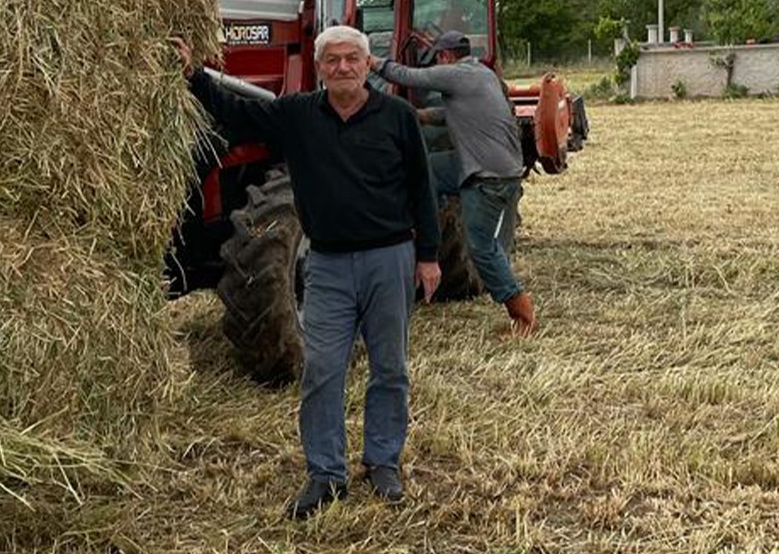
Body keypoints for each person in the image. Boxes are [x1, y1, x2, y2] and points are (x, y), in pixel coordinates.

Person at [173, 26, 441, 519]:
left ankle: (383, 462)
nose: (342, 67)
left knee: (390, 368)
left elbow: (423, 190)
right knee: (322, 371)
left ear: (366, 64)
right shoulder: (298, 115)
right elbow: (239, 114)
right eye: (332, 60)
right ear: (319, 68)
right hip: (328, 265)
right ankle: (326, 473)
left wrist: (428, 256)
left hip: (390, 259)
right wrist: (194, 74)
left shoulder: (398, 117)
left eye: (351, 59)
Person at [369, 31, 537, 336]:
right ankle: (426, 222)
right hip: (496, 167)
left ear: (445, 57)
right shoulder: (480, 75)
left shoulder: (458, 74)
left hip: (488, 176)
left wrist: (370, 61)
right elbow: (451, 113)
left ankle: (522, 313)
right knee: (428, 170)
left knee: (481, 248)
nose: (436, 63)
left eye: (437, 58)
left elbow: (407, 75)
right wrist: (419, 115)